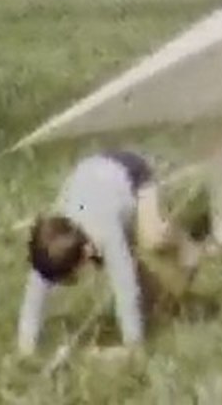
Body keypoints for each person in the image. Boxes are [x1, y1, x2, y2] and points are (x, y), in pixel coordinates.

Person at [15, 150, 201, 357]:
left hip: (130, 173)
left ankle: (187, 246)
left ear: (85, 253)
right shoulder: (53, 243)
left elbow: (125, 287)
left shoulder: (105, 231)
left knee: (152, 237)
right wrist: (26, 348)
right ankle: (166, 302)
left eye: (74, 275)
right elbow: (34, 294)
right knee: (150, 300)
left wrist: (132, 346)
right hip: (100, 190)